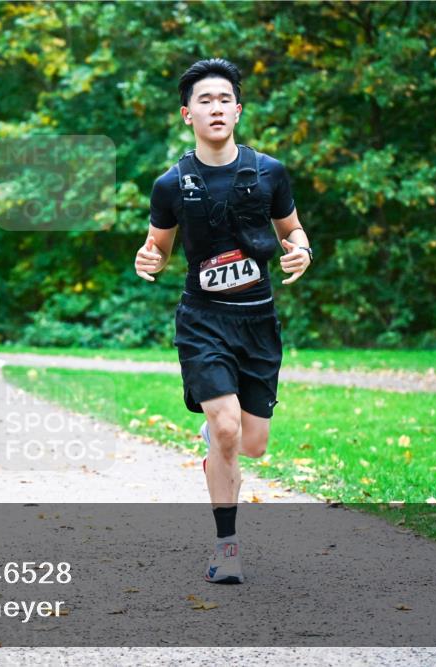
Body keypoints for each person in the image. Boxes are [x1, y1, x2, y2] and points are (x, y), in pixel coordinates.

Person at [134, 58, 312, 584]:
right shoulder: (171, 184)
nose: (215, 108)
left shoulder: (269, 172)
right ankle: (226, 547)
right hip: (203, 321)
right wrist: (149, 260)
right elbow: (158, 248)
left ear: (238, 110)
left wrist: (302, 252)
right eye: (203, 101)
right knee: (227, 427)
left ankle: (217, 436)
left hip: (258, 320)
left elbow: (294, 232)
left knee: (252, 443)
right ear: (186, 114)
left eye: (223, 99)